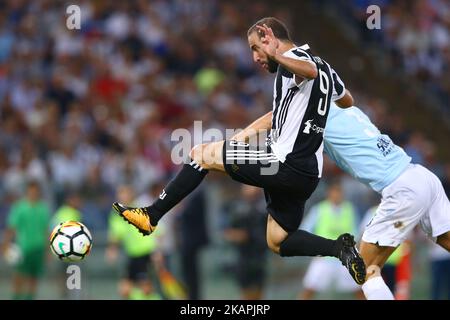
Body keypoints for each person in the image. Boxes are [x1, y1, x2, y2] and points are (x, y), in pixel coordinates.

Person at [112, 17, 366, 285]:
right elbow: (346, 100)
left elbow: (309, 72)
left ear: (269, 39)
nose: (256, 57)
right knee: (278, 240)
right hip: (307, 175)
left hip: (283, 163)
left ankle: (151, 216)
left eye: (256, 47)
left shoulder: (294, 61)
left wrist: (276, 55)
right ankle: (340, 249)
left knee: (200, 155)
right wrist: (244, 135)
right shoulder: (326, 69)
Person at [322, 102, 450, 299]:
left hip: (402, 189)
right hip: (421, 176)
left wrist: (256, 137)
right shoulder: (349, 109)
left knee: (362, 267)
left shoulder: (313, 113)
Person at [298, 181, 363, 300]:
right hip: (324, 258)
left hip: (346, 257)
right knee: (309, 289)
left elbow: (357, 232)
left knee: (359, 290)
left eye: (339, 192)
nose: (337, 195)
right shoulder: (319, 209)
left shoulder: (350, 209)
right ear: (329, 193)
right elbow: (306, 230)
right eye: (334, 192)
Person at [106, 185, 162, 300]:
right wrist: (112, 250)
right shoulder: (117, 214)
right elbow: (115, 234)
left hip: (146, 253)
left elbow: (158, 231)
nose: (122, 196)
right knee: (124, 290)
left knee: (146, 290)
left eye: (125, 193)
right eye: (120, 194)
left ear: (131, 194)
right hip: (132, 255)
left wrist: (157, 251)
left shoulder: (142, 208)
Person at [1, 180, 51, 300]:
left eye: (36, 191)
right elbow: (12, 227)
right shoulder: (20, 207)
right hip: (23, 248)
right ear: (27, 192)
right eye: (31, 191)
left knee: (34, 279)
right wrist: (5, 244)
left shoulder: (43, 208)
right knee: (19, 277)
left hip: (38, 248)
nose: (33, 193)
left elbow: (46, 230)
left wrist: (48, 250)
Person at [223, 185, 268, 300]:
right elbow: (228, 231)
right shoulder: (237, 208)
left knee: (258, 291)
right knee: (246, 291)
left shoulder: (264, 208)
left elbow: (267, 233)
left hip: (259, 256)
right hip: (243, 257)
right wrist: (236, 236)